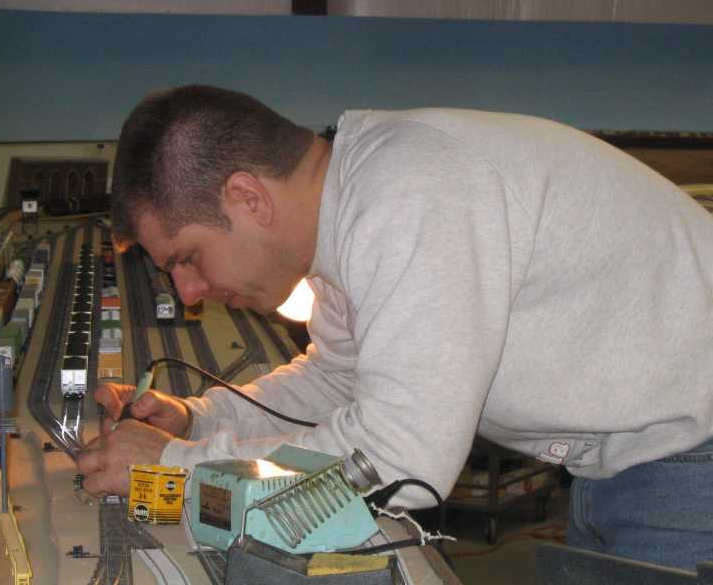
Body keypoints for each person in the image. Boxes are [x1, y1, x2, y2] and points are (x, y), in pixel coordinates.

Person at [77, 84, 713, 571]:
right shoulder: (360, 205)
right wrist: (200, 421)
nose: (189, 292)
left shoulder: (412, 194)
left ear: (248, 198)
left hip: (690, 468)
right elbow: (337, 381)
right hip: (629, 467)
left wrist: (177, 466)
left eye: (186, 258)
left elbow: (399, 461)